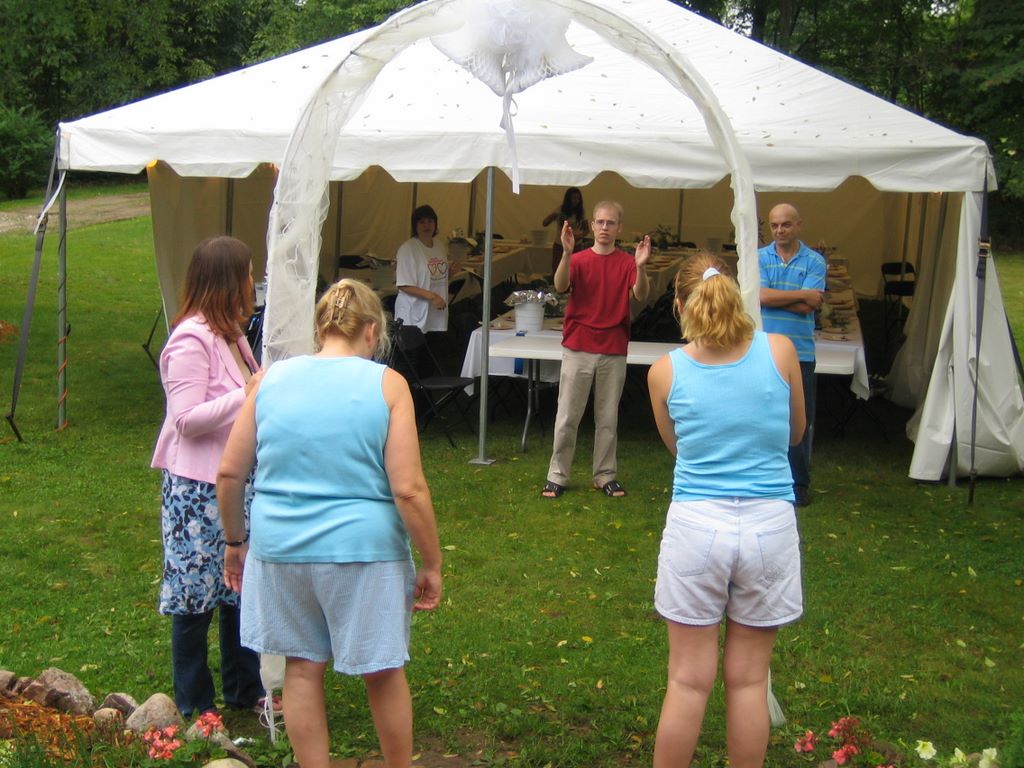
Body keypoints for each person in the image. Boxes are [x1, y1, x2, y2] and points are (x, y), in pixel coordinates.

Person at [217, 278, 443, 768]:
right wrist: (432, 562)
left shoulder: (269, 380)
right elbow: (408, 488)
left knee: (301, 668)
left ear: (321, 329)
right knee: (383, 671)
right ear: (371, 331)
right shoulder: (388, 384)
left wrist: (235, 542)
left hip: (280, 549)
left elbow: (230, 473)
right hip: (365, 551)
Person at [647, 253, 805, 768]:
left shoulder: (663, 371)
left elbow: (678, 448)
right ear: (735, 293)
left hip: (697, 525)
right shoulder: (780, 351)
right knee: (750, 681)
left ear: (679, 306)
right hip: (769, 527)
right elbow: (795, 434)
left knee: (687, 681)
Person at [150, 235, 267, 719]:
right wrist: (249, 393)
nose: (253, 282)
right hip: (196, 492)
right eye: (248, 273)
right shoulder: (190, 339)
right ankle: (196, 705)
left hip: (235, 482)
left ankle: (244, 690)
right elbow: (186, 419)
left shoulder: (232, 334)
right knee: (194, 597)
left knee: (237, 588)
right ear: (228, 280)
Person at [541, 201, 651, 499]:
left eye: (610, 223)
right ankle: (557, 475)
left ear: (619, 228)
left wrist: (641, 267)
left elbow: (641, 294)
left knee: (607, 418)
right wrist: (566, 253)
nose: (604, 227)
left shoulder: (627, 262)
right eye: (600, 222)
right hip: (578, 346)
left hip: (613, 347)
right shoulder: (578, 259)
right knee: (567, 416)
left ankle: (605, 475)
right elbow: (560, 285)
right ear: (592, 225)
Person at [758, 203, 826, 507]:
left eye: (785, 224)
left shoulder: (814, 261)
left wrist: (775, 298)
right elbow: (760, 296)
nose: (779, 230)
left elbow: (811, 305)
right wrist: (801, 295)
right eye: (774, 225)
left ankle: (799, 483)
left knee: (799, 419)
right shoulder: (759, 257)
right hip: (764, 349)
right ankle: (767, 478)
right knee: (763, 415)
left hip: (801, 353)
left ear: (799, 225)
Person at [394, 204, 456, 333]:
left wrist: (450, 273)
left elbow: (437, 277)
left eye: (430, 221)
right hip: (414, 315)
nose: (427, 226)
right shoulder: (408, 249)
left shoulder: (439, 245)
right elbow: (404, 285)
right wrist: (433, 297)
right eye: (422, 222)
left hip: (436, 314)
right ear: (415, 226)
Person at [542, 187, 588, 275]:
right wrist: (552, 216)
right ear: (568, 199)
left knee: (575, 271)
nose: (576, 200)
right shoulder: (560, 209)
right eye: (574, 198)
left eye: (578, 198)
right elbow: (544, 223)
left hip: (575, 245)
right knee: (558, 270)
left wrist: (579, 236)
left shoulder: (581, 211)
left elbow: (586, 230)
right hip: (560, 245)